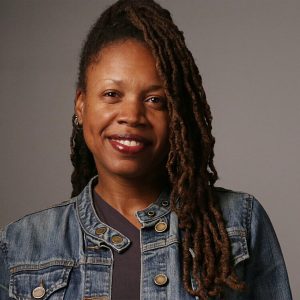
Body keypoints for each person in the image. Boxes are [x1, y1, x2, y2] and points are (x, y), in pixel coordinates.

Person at [0, 0, 292, 299]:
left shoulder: (239, 223)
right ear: (82, 104)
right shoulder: (22, 243)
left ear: (177, 114)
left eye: (155, 100)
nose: (132, 116)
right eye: (112, 94)